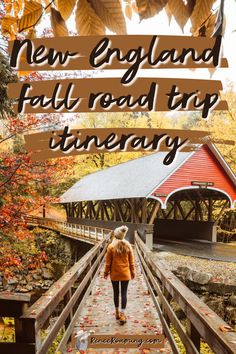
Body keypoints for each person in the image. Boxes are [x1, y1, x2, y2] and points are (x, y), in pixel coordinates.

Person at [104, 225, 135, 325]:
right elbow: (132, 261)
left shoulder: (111, 247)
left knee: (116, 293)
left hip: (115, 274)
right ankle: (123, 314)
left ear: (115, 235)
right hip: (126, 273)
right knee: (124, 293)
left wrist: (106, 272)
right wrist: (133, 272)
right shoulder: (128, 245)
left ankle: (117, 312)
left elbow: (108, 263)